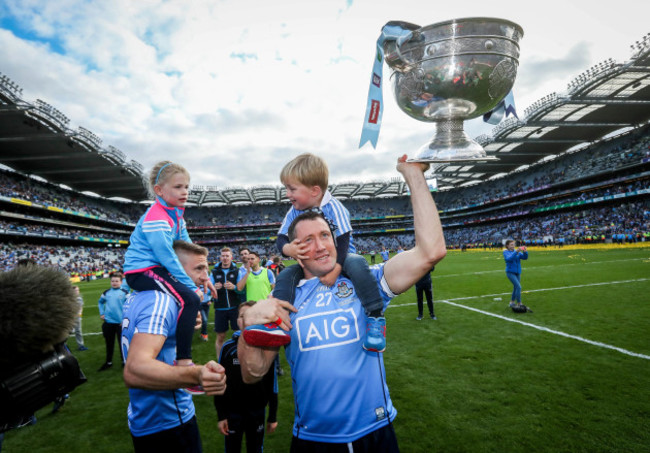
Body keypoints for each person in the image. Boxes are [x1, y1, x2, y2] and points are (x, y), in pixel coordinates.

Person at [237, 155, 447, 452]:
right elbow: (252, 373)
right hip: (312, 439)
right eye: (307, 240)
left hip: (376, 432)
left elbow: (432, 251)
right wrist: (250, 326)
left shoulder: (366, 281)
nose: (320, 245)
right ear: (295, 251)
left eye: (325, 235)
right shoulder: (283, 299)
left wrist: (413, 175)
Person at [249, 152, 387, 353]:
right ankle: (279, 320)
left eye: (292, 188)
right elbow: (281, 238)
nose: (287, 194)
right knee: (286, 274)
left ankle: (375, 317)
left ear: (314, 191)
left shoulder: (333, 206)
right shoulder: (294, 210)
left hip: (342, 257)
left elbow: (343, 239)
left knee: (358, 264)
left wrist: (336, 268)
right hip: (311, 261)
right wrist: (289, 249)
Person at [122, 240, 227, 453]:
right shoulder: (161, 301)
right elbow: (134, 370)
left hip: (144, 416)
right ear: (173, 269)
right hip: (168, 419)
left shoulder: (138, 297)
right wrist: (196, 375)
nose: (206, 277)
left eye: (206, 268)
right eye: (199, 269)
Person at [123, 161, 213, 393]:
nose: (185, 192)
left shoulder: (176, 216)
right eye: (178, 187)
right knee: (190, 299)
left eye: (187, 187)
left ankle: (179, 350)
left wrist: (204, 275)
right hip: (142, 271)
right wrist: (188, 284)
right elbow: (167, 255)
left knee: (189, 299)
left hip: (156, 268)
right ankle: (183, 363)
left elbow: (188, 249)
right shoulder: (157, 217)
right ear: (159, 190)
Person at [214, 301, 278, 453]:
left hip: (257, 411)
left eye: (251, 315)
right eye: (242, 316)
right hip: (232, 412)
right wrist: (221, 415)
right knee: (231, 448)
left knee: (255, 448)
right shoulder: (228, 348)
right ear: (237, 320)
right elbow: (219, 382)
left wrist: (272, 416)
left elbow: (272, 384)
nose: (246, 320)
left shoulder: (266, 347)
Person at [212, 247, 245, 356]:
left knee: (239, 335)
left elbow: (241, 290)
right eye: (223, 256)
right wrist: (213, 287)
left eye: (227, 256)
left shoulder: (237, 271)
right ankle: (220, 360)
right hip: (220, 308)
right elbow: (207, 291)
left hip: (235, 308)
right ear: (220, 257)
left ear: (231, 257)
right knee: (220, 336)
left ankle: (240, 357)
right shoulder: (214, 272)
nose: (225, 258)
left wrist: (234, 287)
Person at [97, 272, 128, 371]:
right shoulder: (106, 293)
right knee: (109, 343)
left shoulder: (125, 293)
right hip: (108, 323)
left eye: (116, 281)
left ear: (121, 282)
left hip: (120, 324)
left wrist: (125, 320)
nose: (114, 283)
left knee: (122, 344)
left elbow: (130, 307)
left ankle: (125, 362)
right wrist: (102, 313)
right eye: (112, 281)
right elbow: (100, 302)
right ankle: (108, 362)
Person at [503, 240, 529, 310]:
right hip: (510, 272)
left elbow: (525, 257)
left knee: (515, 287)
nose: (513, 246)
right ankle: (519, 303)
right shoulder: (505, 252)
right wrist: (516, 252)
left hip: (517, 272)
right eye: (511, 245)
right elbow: (509, 259)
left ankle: (511, 302)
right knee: (519, 287)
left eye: (513, 244)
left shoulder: (516, 252)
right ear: (507, 246)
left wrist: (525, 251)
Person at [71, 286, 88, 351]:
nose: (77, 292)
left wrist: (79, 315)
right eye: (75, 290)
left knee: (78, 331)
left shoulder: (79, 298)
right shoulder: (69, 299)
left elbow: (81, 308)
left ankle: (81, 345)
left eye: (78, 290)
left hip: (77, 318)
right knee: (69, 332)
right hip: (70, 318)